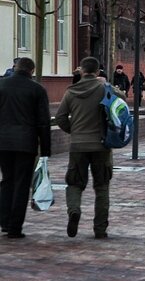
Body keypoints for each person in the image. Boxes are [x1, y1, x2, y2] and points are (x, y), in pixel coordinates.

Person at [56, 57, 125, 239]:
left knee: (74, 183)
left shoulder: (70, 92)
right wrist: (108, 84)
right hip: (102, 145)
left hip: (78, 145)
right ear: (97, 72)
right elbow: (123, 99)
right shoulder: (104, 89)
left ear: (81, 71)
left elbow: (61, 117)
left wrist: (75, 131)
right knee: (102, 186)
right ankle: (100, 229)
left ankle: (74, 210)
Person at [0, 57, 51, 238]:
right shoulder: (37, 89)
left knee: (6, 180)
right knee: (22, 184)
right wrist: (45, 150)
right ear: (32, 70)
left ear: (16, 67)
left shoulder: (2, 85)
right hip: (26, 143)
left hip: (3, 142)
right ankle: (15, 228)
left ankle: (4, 222)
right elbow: (43, 122)